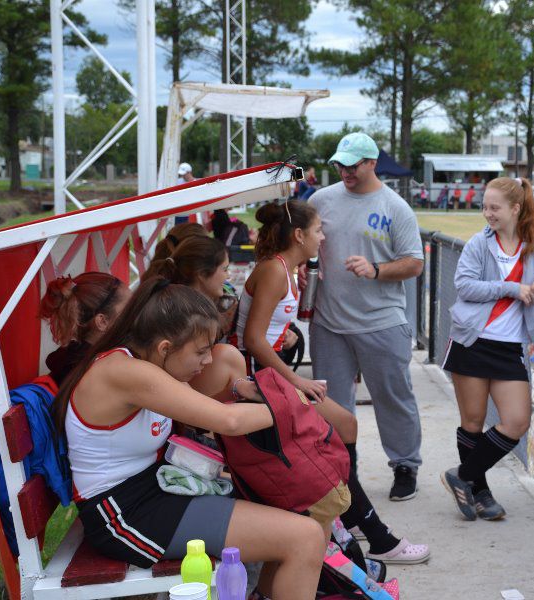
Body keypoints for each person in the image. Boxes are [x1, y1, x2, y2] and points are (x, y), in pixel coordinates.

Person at [54, 278, 325, 600]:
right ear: (165, 347)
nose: (208, 361)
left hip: (154, 491)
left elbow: (203, 404)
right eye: (201, 351)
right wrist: (294, 404)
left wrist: (241, 389)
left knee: (292, 509)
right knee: (304, 537)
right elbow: (230, 421)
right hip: (123, 514)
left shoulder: (139, 362)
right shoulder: (126, 372)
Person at [236, 199, 430, 564]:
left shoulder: (286, 269)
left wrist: (289, 336)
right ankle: (378, 538)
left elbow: (263, 328)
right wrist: (298, 381)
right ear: (298, 235)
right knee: (331, 440)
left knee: (346, 424)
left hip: (270, 376)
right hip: (257, 382)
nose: (323, 237)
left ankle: (350, 513)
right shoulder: (275, 271)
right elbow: (252, 339)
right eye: (318, 231)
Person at [441, 177, 534, 521]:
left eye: (494, 207)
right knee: (472, 423)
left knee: (516, 421)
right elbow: (465, 287)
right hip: (472, 342)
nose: (487, 213)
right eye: (485, 206)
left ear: (515, 209)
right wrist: (511, 288)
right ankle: (481, 493)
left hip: (509, 348)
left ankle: (463, 476)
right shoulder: (478, 244)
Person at [306, 132, 425, 501]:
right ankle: (343, 472)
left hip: (381, 322)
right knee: (331, 403)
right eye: (340, 164)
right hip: (329, 323)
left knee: (393, 397)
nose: (345, 171)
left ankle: (405, 465)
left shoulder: (395, 207)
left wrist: (376, 269)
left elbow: (415, 263)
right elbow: (303, 242)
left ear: (372, 163)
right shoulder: (321, 199)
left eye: (353, 165)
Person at [40, 273, 131, 386]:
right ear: (102, 322)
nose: (137, 313)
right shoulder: (98, 372)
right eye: (130, 308)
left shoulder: (70, 362)